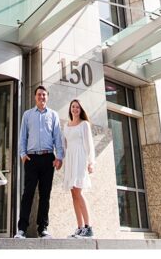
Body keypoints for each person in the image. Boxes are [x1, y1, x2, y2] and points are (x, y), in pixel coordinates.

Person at [15, 85, 64, 239]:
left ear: (47, 97)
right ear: (35, 97)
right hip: (32, 158)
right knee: (27, 194)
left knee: (45, 195)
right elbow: (22, 136)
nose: (41, 97)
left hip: (48, 158)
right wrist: (23, 154)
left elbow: (58, 137)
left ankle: (42, 228)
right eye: (39, 95)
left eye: (44, 95)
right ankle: (22, 229)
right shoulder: (27, 115)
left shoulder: (53, 115)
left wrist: (59, 156)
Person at [62, 98, 97, 238]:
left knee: (79, 192)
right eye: (73, 107)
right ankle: (80, 227)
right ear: (70, 109)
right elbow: (65, 145)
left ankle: (89, 228)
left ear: (81, 109)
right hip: (70, 160)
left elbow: (89, 144)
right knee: (73, 194)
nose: (75, 109)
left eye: (77, 107)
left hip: (80, 159)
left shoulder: (84, 125)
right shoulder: (66, 125)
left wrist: (91, 162)